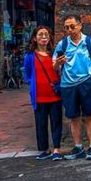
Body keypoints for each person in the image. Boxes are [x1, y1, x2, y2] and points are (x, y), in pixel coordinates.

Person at [53, 14, 91, 160]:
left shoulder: (90, 42)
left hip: (86, 83)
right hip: (68, 85)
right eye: (66, 27)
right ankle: (78, 147)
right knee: (73, 117)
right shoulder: (62, 44)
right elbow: (54, 65)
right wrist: (58, 63)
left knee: (89, 115)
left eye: (72, 26)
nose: (69, 30)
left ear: (80, 25)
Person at [22, 26, 63, 160]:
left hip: (55, 94)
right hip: (39, 96)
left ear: (50, 37)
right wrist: (34, 83)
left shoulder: (54, 54)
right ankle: (44, 149)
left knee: (56, 122)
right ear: (35, 38)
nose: (43, 37)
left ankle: (56, 149)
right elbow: (27, 74)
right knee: (41, 123)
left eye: (46, 34)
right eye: (40, 35)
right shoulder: (30, 56)